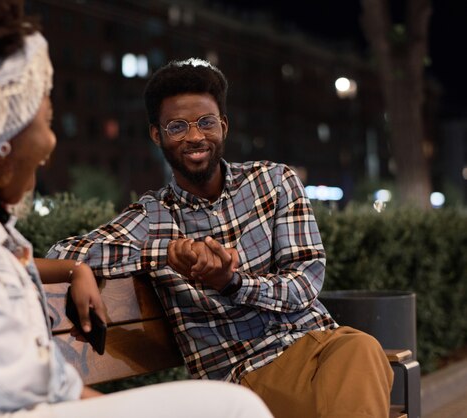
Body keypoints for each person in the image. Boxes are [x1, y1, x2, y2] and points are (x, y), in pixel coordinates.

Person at [0, 3, 274, 418]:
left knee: (229, 407)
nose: (51, 143)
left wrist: (74, 270)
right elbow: (16, 380)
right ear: (5, 137)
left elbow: (3, 276)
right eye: (46, 121)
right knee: (229, 408)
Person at [47, 58, 394, 417]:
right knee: (360, 373)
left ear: (223, 126)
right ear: (157, 135)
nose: (195, 136)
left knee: (360, 349)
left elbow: (305, 283)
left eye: (206, 123)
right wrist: (165, 253)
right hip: (243, 376)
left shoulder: (273, 183)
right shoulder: (153, 217)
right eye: (177, 126)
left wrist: (232, 283)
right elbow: (64, 251)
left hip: (320, 346)